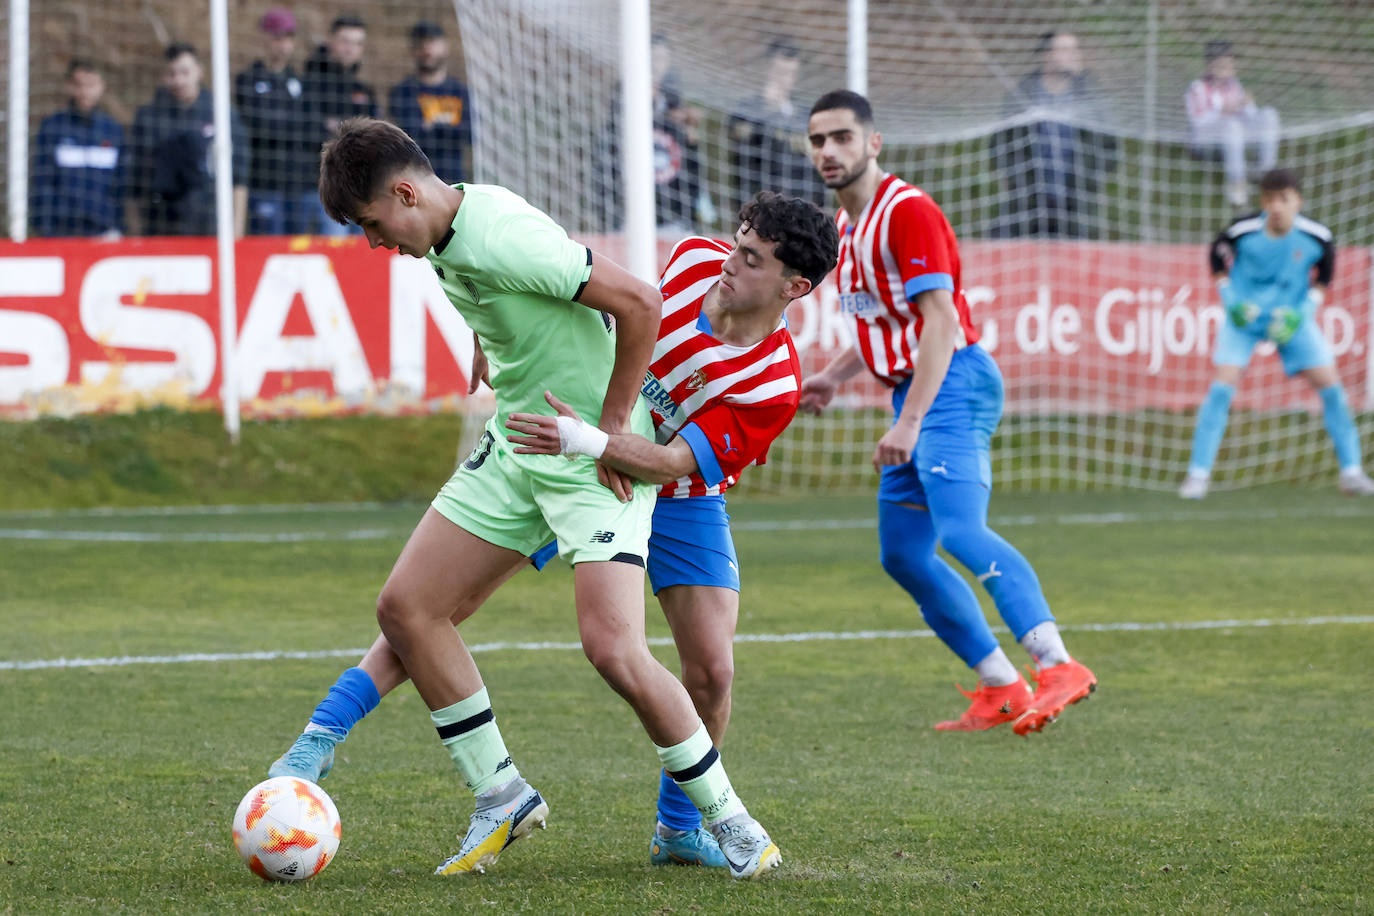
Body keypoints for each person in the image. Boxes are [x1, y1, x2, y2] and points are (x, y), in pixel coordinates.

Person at [264, 117, 782, 880]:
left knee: (614, 650)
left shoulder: (496, 233)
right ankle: (500, 794)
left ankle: (731, 823)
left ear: (407, 192)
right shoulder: (445, 232)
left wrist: (608, 429)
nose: (376, 244)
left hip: (584, 459)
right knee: (408, 607)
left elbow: (639, 303)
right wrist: (491, 341)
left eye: (374, 225)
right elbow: (514, 295)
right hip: (518, 443)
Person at [507, 191, 837, 869]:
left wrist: (590, 440)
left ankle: (680, 830)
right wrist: (507, 342)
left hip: (677, 494)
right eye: (737, 242)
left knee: (712, 671)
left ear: (794, 287)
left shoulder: (773, 383)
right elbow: (598, 306)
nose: (731, 262)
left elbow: (669, 464)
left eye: (752, 258)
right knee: (433, 605)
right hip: (582, 458)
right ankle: (320, 742)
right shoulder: (691, 260)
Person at [801, 90, 1096, 735]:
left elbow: (939, 323)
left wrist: (909, 422)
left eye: (843, 137)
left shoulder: (907, 212)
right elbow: (883, 322)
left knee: (961, 533)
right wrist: (830, 377)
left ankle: (1058, 664)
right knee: (903, 554)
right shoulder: (848, 229)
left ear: (873, 143)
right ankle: (1001, 687)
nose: (829, 150)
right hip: (915, 392)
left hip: (950, 383)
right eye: (818, 140)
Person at [1179, 169, 1374, 499]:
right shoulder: (1243, 230)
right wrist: (1230, 300)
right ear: (1263, 202)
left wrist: (1303, 313)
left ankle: (1351, 472)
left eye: (1284, 199)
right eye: (1270, 199)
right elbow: (1216, 256)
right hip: (1245, 320)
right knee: (1222, 387)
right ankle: (1198, 475)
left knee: (1331, 388)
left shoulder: (1318, 236)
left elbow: (1325, 276)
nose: (1277, 206)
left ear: (1298, 200)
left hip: (1292, 320)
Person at [989, 30, 1117, 239]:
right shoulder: (1022, 94)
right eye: (1065, 49)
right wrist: (1017, 179)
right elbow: (1001, 144)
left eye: (1076, 50)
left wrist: (1090, 179)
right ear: (1047, 54)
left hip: (1076, 203)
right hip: (1027, 201)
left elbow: (1110, 146)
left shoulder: (1090, 95)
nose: (1074, 55)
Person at [126, 43, 248, 237]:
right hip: (161, 225)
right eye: (172, 73)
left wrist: (236, 232)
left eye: (184, 72)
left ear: (199, 71)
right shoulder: (149, 117)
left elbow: (239, 179)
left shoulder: (222, 115)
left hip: (211, 225)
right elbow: (133, 181)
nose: (178, 80)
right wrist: (136, 233)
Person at [597, 33, 703, 231]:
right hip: (632, 214)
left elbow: (691, 159)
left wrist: (689, 134)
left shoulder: (675, 100)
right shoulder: (624, 95)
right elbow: (612, 137)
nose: (657, 65)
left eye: (662, 59)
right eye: (653, 58)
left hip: (674, 213)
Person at [234, 8, 317, 235]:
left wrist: (279, 123)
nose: (284, 44)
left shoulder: (300, 83)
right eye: (278, 37)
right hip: (263, 182)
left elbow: (309, 128)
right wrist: (288, 124)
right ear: (265, 38)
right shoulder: (247, 80)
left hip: (297, 184)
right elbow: (255, 125)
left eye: (289, 38)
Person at [727, 37, 827, 214]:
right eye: (780, 72)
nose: (785, 79)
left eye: (790, 73)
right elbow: (737, 139)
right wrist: (769, 108)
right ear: (768, 70)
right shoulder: (748, 108)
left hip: (801, 206)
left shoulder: (805, 114)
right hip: (761, 207)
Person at [29, 59, 124, 238]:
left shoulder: (113, 131)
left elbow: (122, 185)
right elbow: (42, 183)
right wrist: (45, 229)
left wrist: (119, 226)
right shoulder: (52, 128)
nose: (84, 92)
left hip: (103, 231)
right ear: (68, 86)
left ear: (101, 86)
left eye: (90, 85)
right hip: (61, 232)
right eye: (78, 85)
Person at [302, 15, 378, 235]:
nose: (349, 49)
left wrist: (338, 127)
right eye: (344, 40)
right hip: (321, 188)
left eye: (357, 43)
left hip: (361, 191)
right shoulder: (311, 84)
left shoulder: (364, 91)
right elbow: (311, 130)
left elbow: (373, 134)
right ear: (330, 41)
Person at [1185, 40, 1280, 209]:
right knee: (1231, 126)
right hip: (1208, 141)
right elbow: (1197, 122)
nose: (1228, 69)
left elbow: (1250, 116)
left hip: (1238, 136)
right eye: (1222, 65)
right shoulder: (1198, 88)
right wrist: (1221, 111)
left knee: (1269, 114)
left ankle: (1266, 173)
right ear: (1210, 66)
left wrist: (1247, 105)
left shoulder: (1234, 85)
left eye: (1230, 64)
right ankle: (1237, 184)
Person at [388, 20, 472, 185]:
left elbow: (469, 134)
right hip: (417, 182)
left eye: (432, 41)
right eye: (420, 43)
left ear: (445, 47)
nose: (426, 48)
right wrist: (449, 127)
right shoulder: (403, 92)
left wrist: (431, 126)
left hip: (455, 181)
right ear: (413, 51)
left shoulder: (459, 91)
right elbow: (410, 135)